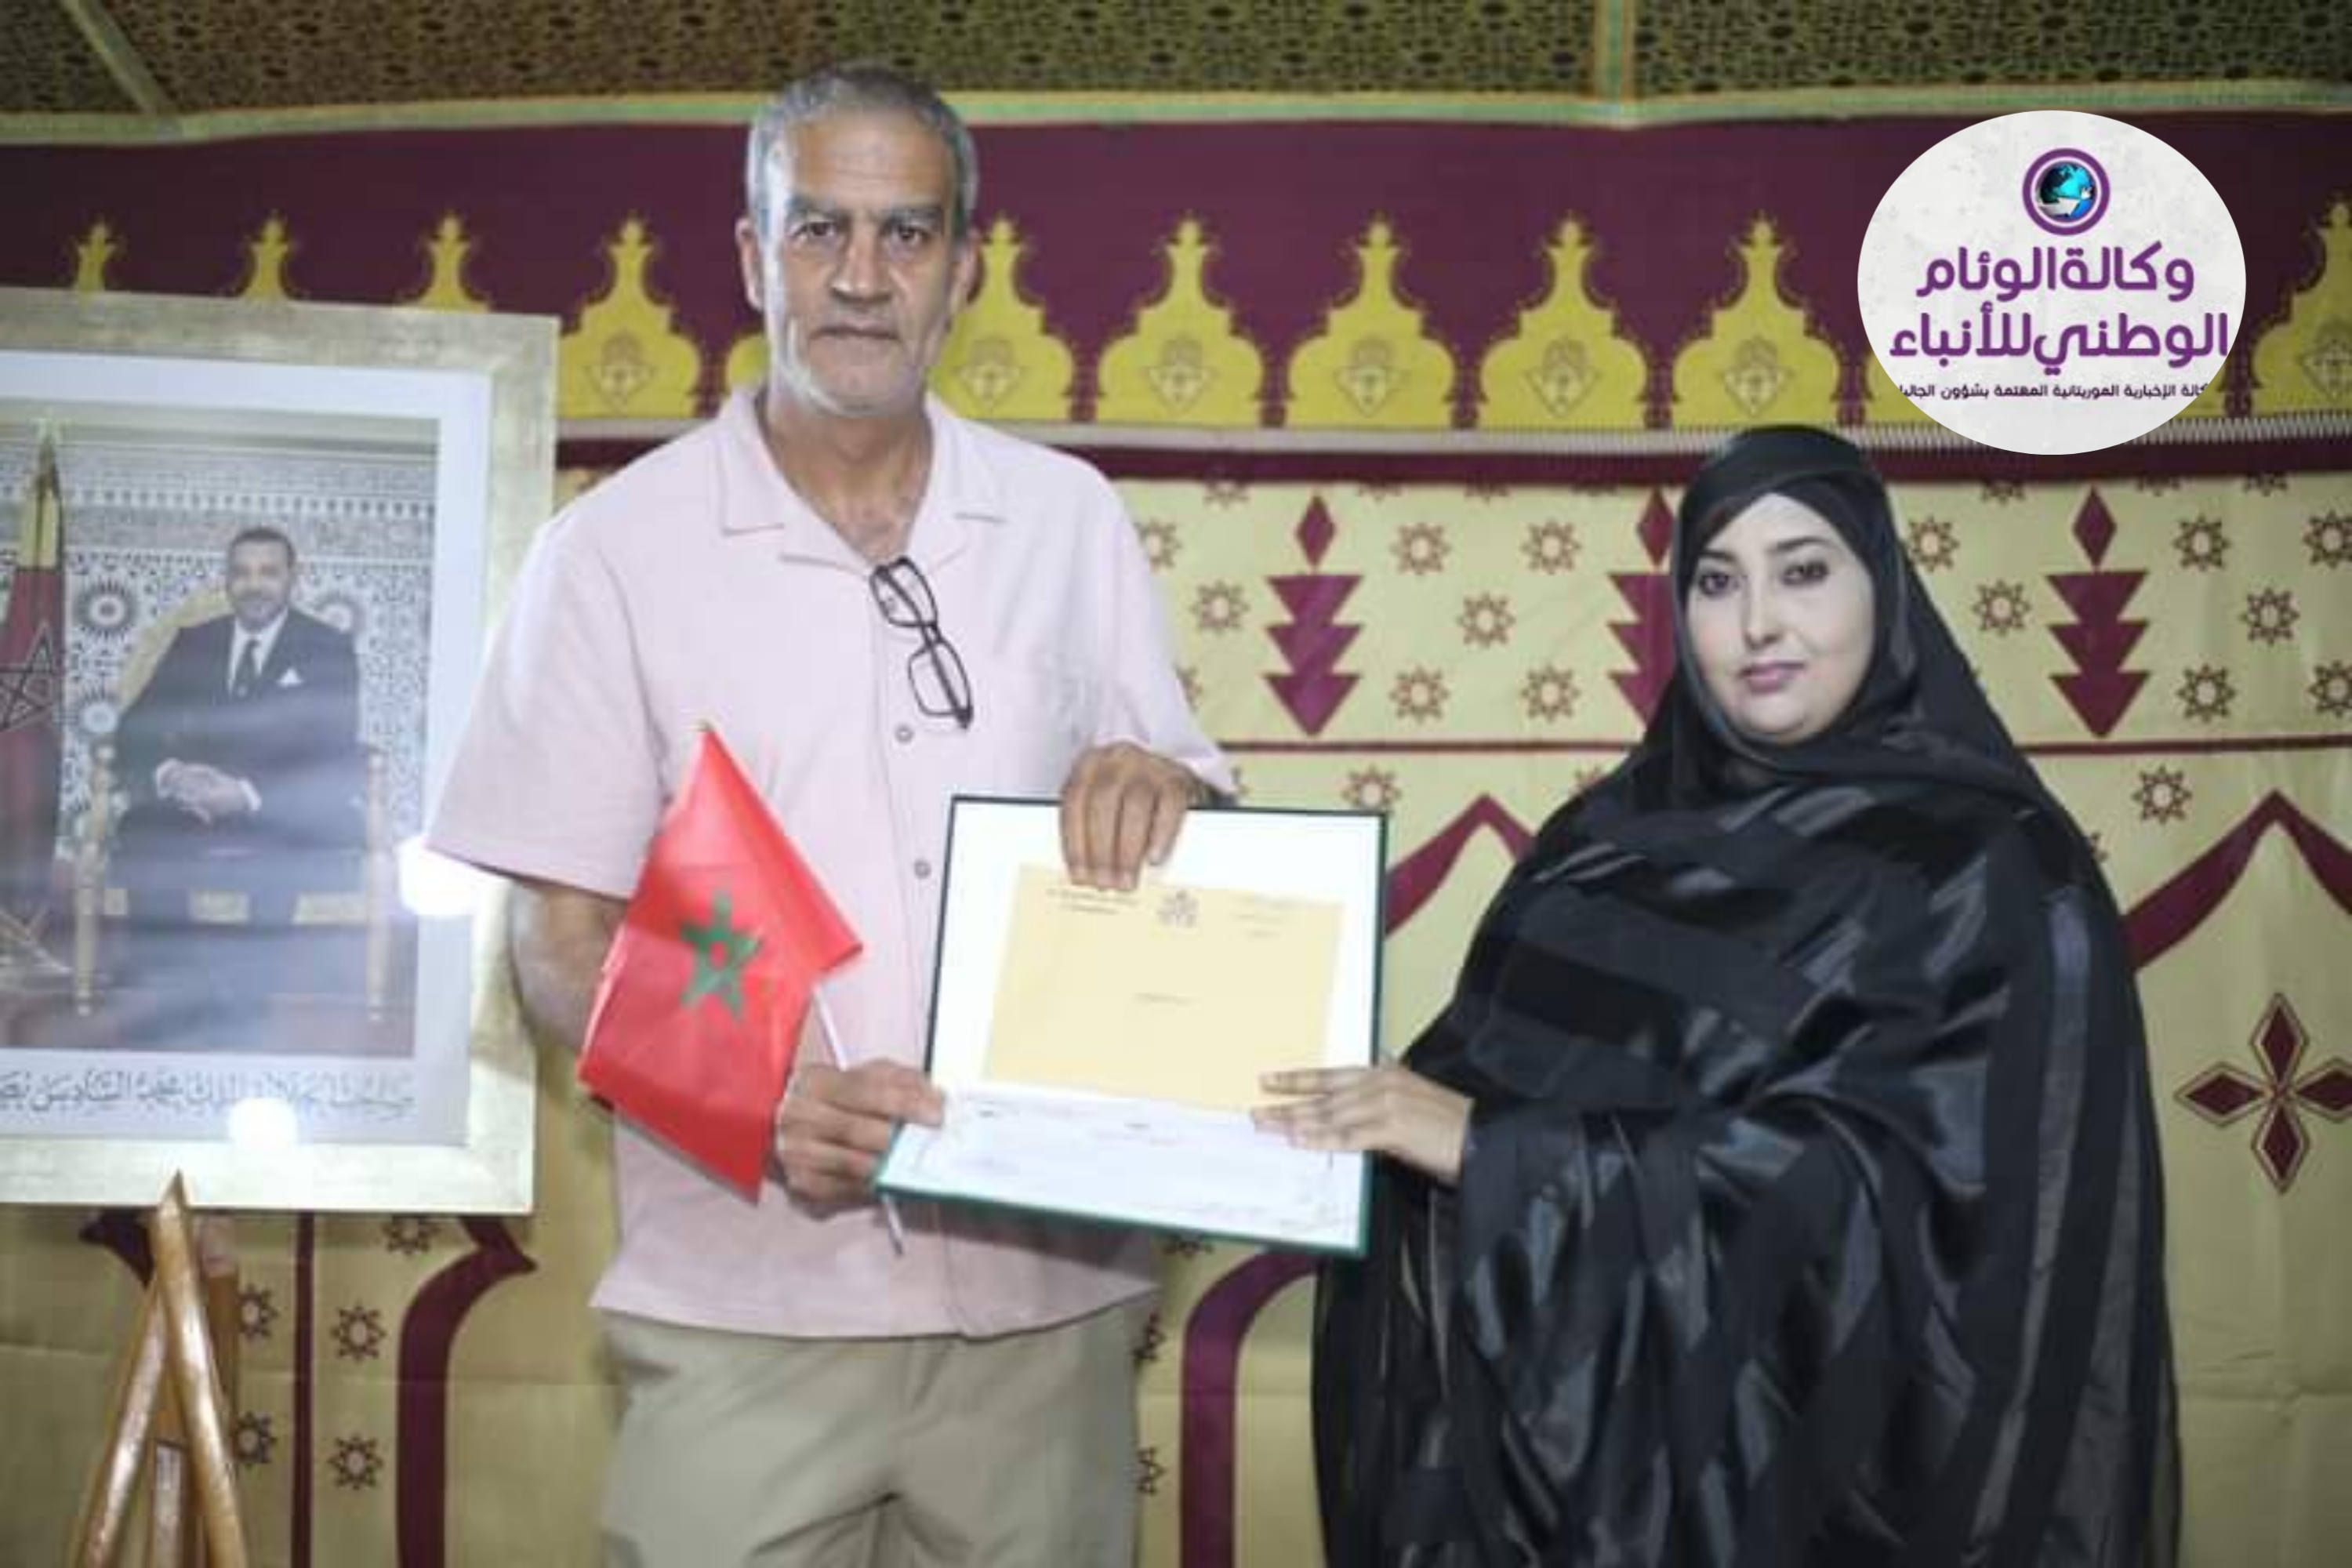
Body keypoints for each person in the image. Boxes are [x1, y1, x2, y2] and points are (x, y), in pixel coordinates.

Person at [427, 64, 1230, 1568]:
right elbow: (556, 937)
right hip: (746, 1304)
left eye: (907, 233)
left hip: (1042, 1309)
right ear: (752, 256)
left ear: (965, 268)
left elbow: (1179, 808)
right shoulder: (610, 553)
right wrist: (749, 1096)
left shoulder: (1069, 521)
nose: (862, 277)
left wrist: (1164, 783)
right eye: (818, 230)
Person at [1259, 426, 2176, 1566]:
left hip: (1827, 1493)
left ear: (1884, 589)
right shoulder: (1601, 842)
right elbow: (1460, 1092)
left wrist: (1506, 1156)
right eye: (1716, 580)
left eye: (1804, 571)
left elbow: (1936, 1207)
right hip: (1576, 1471)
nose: (1758, 625)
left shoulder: (1993, 870)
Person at [111, 524, 365, 927]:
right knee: (144, 830)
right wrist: (174, 776)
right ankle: (165, 963)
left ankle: (257, 969)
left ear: (293, 577)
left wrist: (245, 795)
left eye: (268, 572)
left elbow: (333, 747)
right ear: (227, 579)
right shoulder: (194, 642)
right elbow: (134, 728)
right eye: (241, 572)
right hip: (193, 807)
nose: (254, 586)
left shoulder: (327, 647)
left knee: (283, 849)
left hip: (279, 808)